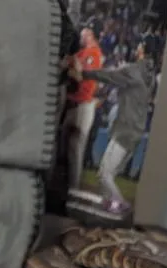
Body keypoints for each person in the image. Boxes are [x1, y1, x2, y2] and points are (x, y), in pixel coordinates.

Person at [74, 40, 156, 215]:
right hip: (136, 133)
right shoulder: (151, 76)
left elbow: (109, 76)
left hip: (125, 130)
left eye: (140, 46)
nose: (137, 48)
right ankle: (108, 206)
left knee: (104, 174)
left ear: (143, 51)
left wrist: (85, 73)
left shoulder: (134, 71)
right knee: (107, 174)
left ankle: (121, 204)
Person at [62, 26, 103, 190]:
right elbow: (70, 62)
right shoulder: (83, 52)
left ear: (90, 36)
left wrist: (72, 68)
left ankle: (74, 187)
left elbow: (81, 76)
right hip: (73, 105)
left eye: (84, 36)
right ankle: (66, 185)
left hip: (83, 106)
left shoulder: (94, 53)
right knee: (65, 147)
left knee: (76, 150)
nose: (81, 38)